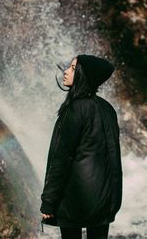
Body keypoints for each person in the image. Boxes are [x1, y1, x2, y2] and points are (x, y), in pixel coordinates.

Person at [40, 54, 123, 239]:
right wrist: (114, 200)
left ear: (82, 74)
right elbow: (113, 158)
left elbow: (62, 158)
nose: (66, 71)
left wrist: (49, 201)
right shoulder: (107, 108)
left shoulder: (76, 109)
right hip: (104, 199)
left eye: (72, 68)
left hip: (74, 200)